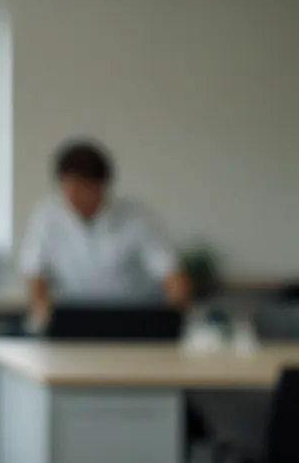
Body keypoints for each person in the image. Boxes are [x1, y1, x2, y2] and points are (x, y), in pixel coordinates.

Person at [17, 138, 190, 327]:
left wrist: (173, 320)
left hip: (133, 322)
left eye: (81, 189)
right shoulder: (46, 217)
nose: (73, 198)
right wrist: (42, 314)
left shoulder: (137, 218)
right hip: (74, 321)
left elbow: (171, 274)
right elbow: (35, 273)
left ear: (101, 187)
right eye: (67, 188)